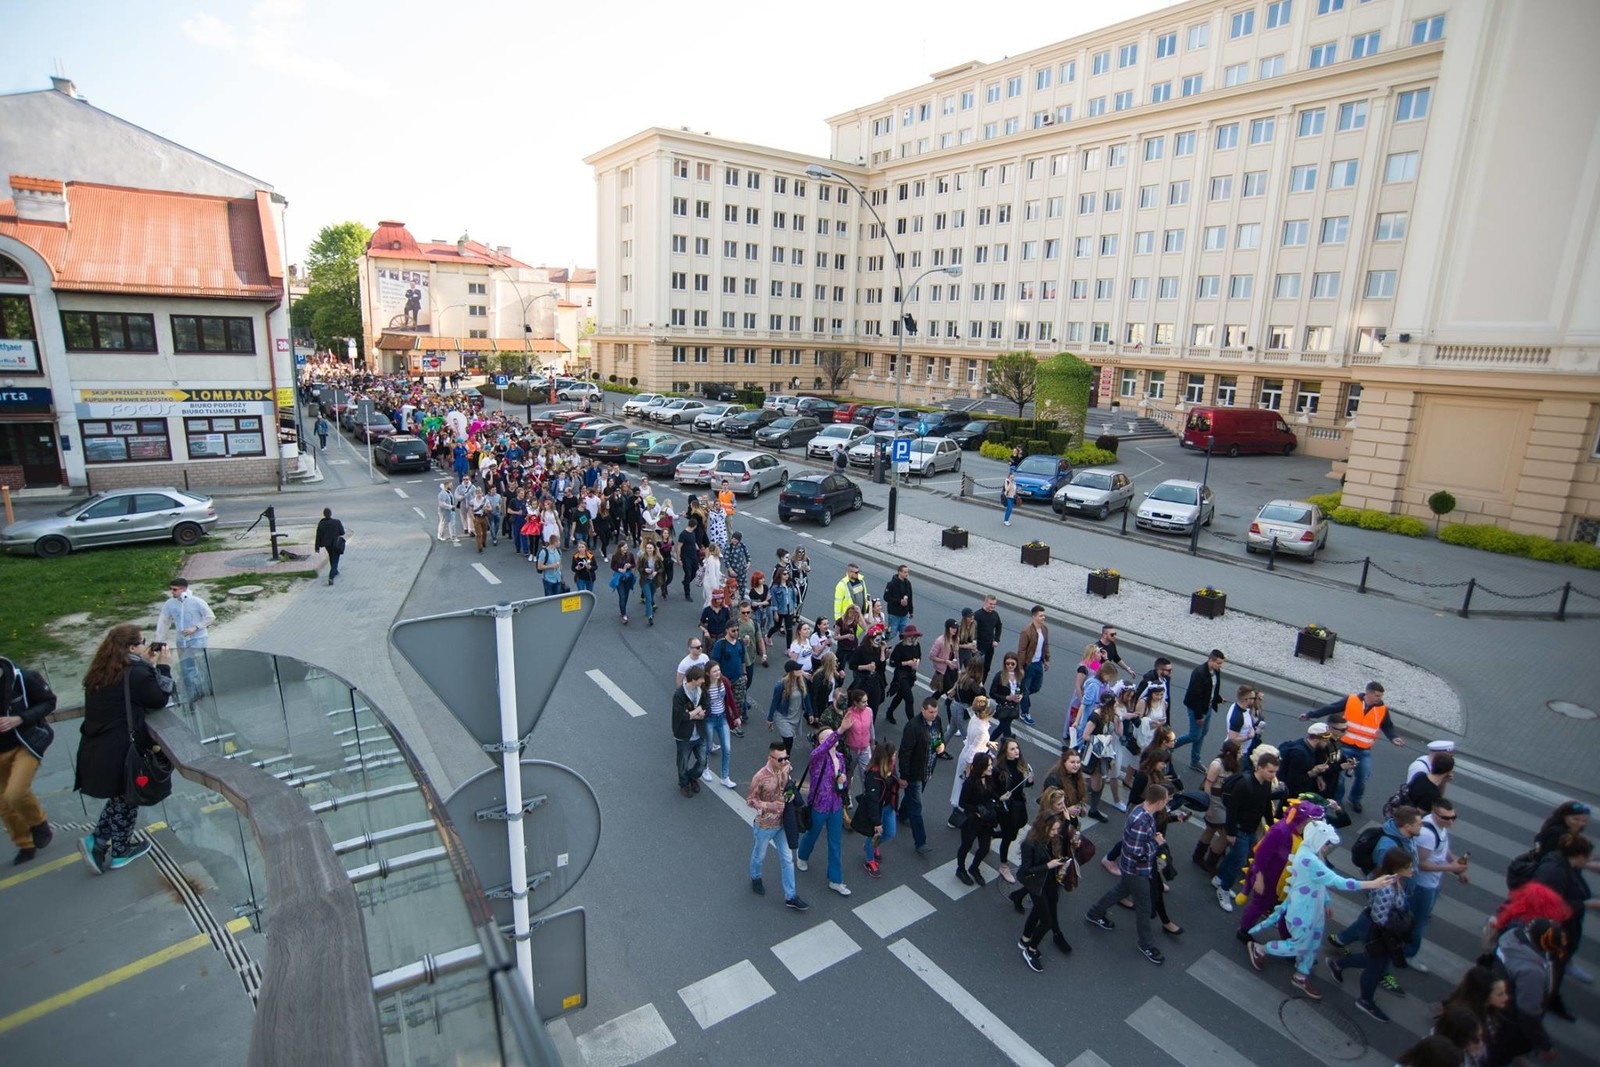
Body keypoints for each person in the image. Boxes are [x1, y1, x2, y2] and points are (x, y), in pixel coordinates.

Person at [1246, 817, 1397, 1002]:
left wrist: (1325, 902)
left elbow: (1319, 883)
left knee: (1313, 943)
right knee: (1300, 945)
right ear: (1317, 839)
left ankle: (1301, 976)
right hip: (1301, 911)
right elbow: (1337, 881)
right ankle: (1260, 949)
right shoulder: (1310, 859)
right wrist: (1372, 884)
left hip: (1314, 908)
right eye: (1326, 843)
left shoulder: (1312, 852)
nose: (1328, 847)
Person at [75, 624, 174, 873]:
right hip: (121, 749)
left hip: (97, 746)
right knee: (128, 797)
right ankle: (119, 851)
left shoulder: (101, 671)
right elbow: (158, 698)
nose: (145, 645)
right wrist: (163, 666)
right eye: (142, 642)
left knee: (122, 796)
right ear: (131, 648)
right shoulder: (135, 673)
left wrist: (146, 664)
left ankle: (98, 841)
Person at [1084, 782, 1170, 966]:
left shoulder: (1142, 811)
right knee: (1144, 908)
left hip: (1131, 868)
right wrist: (1156, 843)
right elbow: (1136, 852)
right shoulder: (1141, 821)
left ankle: (1095, 913)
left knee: (1120, 890)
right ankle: (1146, 944)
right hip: (1137, 870)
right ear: (1160, 801)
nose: (1167, 804)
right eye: (1166, 801)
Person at [1327, 849, 1417, 1020]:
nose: (1412, 869)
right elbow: (1379, 916)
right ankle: (1365, 1000)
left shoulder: (1395, 880)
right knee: (1375, 966)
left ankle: (1338, 964)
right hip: (1377, 930)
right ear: (1396, 868)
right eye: (1408, 867)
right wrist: (1395, 931)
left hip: (1379, 929)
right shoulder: (1387, 888)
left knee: (1372, 959)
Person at [1299, 680, 1406, 813]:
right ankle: (1338, 801)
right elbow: (1331, 708)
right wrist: (1310, 715)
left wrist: (1393, 737)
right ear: (1368, 693)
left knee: (1362, 777)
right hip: (1345, 746)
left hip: (1364, 750)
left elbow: (1387, 726)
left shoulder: (1382, 709)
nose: (1380, 699)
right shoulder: (1351, 700)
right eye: (1377, 695)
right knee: (1340, 777)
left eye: (1381, 696)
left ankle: (1355, 798)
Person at [0, 654, 57, 864]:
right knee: (4, 805)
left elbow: (49, 702)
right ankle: (25, 844)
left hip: (26, 743)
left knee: (15, 793)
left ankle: (39, 823)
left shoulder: (23, 677)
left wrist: (20, 719)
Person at [1529, 833, 1592, 1021]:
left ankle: (1548, 1000)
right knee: (1550, 973)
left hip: (1562, 932)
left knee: (1553, 972)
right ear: (1579, 856)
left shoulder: (1567, 866)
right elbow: (1551, 905)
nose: (1588, 860)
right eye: (1587, 857)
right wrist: (1585, 905)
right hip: (1554, 933)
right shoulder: (1555, 871)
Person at [1215, 747, 1283, 912]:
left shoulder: (1266, 783)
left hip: (1251, 828)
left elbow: (1265, 805)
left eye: (1275, 772)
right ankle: (1223, 889)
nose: (1273, 775)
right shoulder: (1244, 784)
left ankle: (1219, 878)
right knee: (1239, 860)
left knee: (1235, 857)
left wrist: (1270, 824)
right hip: (1240, 829)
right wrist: (1231, 832)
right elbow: (1232, 810)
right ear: (1259, 768)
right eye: (1270, 771)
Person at [747, 741, 807, 911]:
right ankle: (755, 877)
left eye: (786, 757)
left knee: (788, 859)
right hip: (765, 825)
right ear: (770, 758)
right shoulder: (760, 777)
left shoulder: (786, 768)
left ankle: (791, 896)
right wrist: (770, 806)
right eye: (780, 759)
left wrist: (790, 795)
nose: (784, 761)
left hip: (783, 823)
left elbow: (789, 786)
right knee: (760, 855)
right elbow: (750, 800)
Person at [1017, 800, 1073, 972]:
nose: (1056, 832)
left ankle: (1025, 939)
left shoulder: (1050, 838)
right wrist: (1048, 865)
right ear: (1044, 827)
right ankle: (1030, 950)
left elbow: (1062, 836)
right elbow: (1025, 871)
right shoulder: (1029, 844)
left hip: (1048, 881)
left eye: (1057, 829)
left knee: (1037, 912)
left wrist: (1067, 821)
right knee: (1047, 921)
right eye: (1053, 829)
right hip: (1036, 884)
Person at [796, 727, 852, 897]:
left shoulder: (840, 757)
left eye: (832, 735)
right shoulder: (817, 757)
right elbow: (823, 748)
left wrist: (842, 781)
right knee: (812, 834)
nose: (832, 738)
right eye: (827, 737)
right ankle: (802, 855)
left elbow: (842, 785)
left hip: (835, 805)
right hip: (819, 805)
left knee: (835, 843)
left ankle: (836, 880)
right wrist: (839, 730)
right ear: (820, 742)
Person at [897, 696, 944, 855]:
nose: (934, 715)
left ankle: (902, 813)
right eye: (930, 712)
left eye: (935, 711)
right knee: (916, 807)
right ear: (922, 710)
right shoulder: (913, 727)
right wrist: (904, 776)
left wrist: (940, 745)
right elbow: (905, 752)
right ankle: (920, 842)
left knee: (912, 797)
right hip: (915, 773)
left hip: (927, 770)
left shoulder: (937, 721)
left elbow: (938, 737)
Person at [154, 577, 214, 702]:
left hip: (198, 638)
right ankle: (193, 693)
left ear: (184, 589)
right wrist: (160, 640)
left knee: (199, 664)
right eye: (171, 589)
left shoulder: (196, 601)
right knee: (186, 667)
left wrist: (196, 627)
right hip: (182, 640)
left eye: (175, 589)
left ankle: (206, 690)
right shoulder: (170, 604)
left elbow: (210, 617)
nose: (172, 592)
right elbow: (164, 622)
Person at [1171, 649, 1225, 773]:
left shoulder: (1216, 672)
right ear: (1210, 660)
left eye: (1221, 663)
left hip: (1207, 706)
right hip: (1198, 708)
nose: (1220, 666)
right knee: (1194, 735)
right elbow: (1195, 696)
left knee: (1202, 733)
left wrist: (1218, 699)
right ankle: (1170, 746)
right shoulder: (1199, 673)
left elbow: (1213, 689)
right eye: (1218, 663)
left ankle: (1195, 760)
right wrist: (1199, 716)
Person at [853, 741, 900, 878]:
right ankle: (869, 860)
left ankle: (872, 846)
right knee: (873, 835)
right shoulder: (873, 776)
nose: (895, 756)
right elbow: (872, 801)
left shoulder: (890, 766)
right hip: (877, 810)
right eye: (893, 754)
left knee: (890, 833)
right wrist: (876, 823)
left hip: (888, 806)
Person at [1195, 739, 1242, 873]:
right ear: (1230, 752)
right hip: (1215, 801)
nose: (1241, 754)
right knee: (1226, 834)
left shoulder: (1233, 764)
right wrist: (1208, 806)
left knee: (1210, 829)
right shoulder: (1217, 765)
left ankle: (1198, 856)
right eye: (1238, 751)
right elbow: (1208, 785)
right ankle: (1211, 861)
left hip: (1224, 801)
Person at [948, 695, 996, 823]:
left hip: (966, 755)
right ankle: (956, 819)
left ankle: (957, 817)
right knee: (964, 791)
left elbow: (974, 740)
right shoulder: (983, 731)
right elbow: (972, 752)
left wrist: (987, 743)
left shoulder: (975, 718)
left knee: (960, 789)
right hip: (972, 762)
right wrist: (969, 772)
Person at [954, 750, 997, 886]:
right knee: (966, 846)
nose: (991, 767)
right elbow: (962, 803)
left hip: (985, 821)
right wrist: (977, 810)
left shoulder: (989, 779)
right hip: (972, 821)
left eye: (991, 764)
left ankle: (974, 868)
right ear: (981, 767)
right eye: (988, 765)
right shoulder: (970, 782)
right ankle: (960, 869)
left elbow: (991, 795)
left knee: (984, 848)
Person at [993, 737, 1033, 883]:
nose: (1016, 751)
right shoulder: (998, 769)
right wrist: (1000, 797)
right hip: (1006, 808)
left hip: (1018, 804)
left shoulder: (1020, 764)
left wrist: (1030, 780)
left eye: (1017, 748)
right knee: (1008, 836)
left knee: (1013, 834)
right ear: (1005, 752)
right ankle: (1004, 866)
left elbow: (1022, 785)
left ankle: (990, 834)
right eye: (1012, 749)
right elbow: (992, 790)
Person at [671, 667, 709, 798]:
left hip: (699, 733)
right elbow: (681, 716)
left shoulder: (701, 691)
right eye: (701, 679)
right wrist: (697, 711)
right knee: (683, 763)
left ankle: (692, 777)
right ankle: (684, 784)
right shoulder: (679, 694)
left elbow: (706, 706)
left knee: (703, 761)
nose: (703, 681)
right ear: (694, 679)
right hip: (684, 736)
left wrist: (695, 713)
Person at [701, 662, 738, 789]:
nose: (718, 673)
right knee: (708, 746)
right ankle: (705, 768)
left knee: (727, 748)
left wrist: (736, 716)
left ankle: (725, 777)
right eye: (714, 671)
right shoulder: (703, 686)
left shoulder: (724, 681)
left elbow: (730, 699)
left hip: (722, 718)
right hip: (709, 719)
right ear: (707, 673)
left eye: (718, 670)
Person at [767, 660, 813, 755]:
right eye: (798, 669)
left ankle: (782, 754)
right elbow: (774, 702)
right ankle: (786, 759)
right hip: (783, 717)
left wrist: (810, 713)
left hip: (796, 716)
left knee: (787, 740)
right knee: (789, 740)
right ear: (791, 672)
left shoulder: (802, 682)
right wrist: (770, 718)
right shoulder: (781, 685)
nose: (800, 670)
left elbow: (806, 697)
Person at [1014, 605, 1049, 728]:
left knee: (1036, 687)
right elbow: (1021, 651)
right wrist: (1020, 668)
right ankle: (1024, 713)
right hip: (1028, 664)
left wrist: (1047, 659)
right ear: (1034, 616)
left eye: (1044, 615)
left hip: (1038, 663)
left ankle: (1019, 696)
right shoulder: (1027, 631)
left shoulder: (1044, 628)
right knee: (1026, 690)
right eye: (1041, 616)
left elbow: (1046, 645)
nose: (1043, 618)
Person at [883, 624, 922, 725]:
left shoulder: (917, 645)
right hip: (901, 676)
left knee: (900, 695)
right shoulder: (900, 647)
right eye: (909, 636)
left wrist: (916, 663)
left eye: (914, 636)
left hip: (910, 676)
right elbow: (892, 662)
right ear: (905, 637)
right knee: (909, 699)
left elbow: (919, 657)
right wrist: (907, 663)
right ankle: (913, 723)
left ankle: (890, 711)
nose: (911, 638)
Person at [989, 652, 1025, 741]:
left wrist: (1020, 696)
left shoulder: (1020, 675)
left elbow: (1023, 689)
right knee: (1006, 729)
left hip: (1014, 706)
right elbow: (992, 693)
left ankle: (989, 742)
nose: (1010, 666)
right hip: (1003, 706)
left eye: (1012, 664)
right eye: (1007, 663)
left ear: (1016, 664)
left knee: (1003, 727)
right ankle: (1008, 743)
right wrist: (1007, 697)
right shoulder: (1000, 675)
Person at [314, 507, 346, 586]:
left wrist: (317, 547)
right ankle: (331, 577)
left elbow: (318, 536)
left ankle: (335, 571)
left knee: (332, 557)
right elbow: (342, 532)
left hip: (326, 544)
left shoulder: (321, 523)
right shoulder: (336, 522)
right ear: (331, 514)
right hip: (335, 543)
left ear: (324, 514)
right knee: (335, 559)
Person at [973, 594, 1003, 677]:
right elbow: (972, 631)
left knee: (986, 668)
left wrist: (996, 640)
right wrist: (974, 644)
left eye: (994, 604)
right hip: (979, 646)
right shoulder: (977, 615)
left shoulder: (995, 614)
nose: (993, 606)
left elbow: (999, 626)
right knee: (975, 667)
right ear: (985, 602)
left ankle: (982, 683)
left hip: (990, 646)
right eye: (990, 604)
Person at [609, 539, 637, 623]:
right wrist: (619, 569)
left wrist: (629, 565)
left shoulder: (630, 555)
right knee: (622, 596)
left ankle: (622, 609)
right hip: (619, 577)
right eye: (624, 547)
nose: (626, 549)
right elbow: (612, 566)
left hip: (628, 576)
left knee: (626, 595)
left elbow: (634, 564)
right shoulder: (615, 556)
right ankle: (624, 614)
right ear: (620, 548)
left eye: (626, 547)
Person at [883, 564, 914, 639]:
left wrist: (911, 611)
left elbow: (910, 598)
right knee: (891, 634)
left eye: (907, 572)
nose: (907, 574)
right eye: (905, 572)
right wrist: (899, 601)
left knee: (905, 635)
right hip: (894, 615)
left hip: (904, 615)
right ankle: (883, 644)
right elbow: (886, 597)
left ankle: (904, 646)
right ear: (899, 572)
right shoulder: (891, 584)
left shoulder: (908, 584)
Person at [437, 480, 461, 544]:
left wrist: (452, 506)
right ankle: (440, 535)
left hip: (450, 510)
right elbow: (442, 504)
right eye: (451, 485)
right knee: (443, 522)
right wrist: (451, 506)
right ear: (447, 485)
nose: (452, 486)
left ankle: (453, 536)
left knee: (451, 523)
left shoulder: (449, 492)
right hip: (443, 510)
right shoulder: (442, 493)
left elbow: (450, 500)